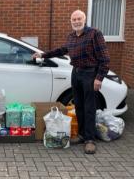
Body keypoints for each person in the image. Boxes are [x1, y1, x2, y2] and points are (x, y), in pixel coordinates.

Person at [32, 10, 110, 154]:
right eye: (73, 19)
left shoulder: (94, 34)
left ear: (84, 19)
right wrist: (43, 54)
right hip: (76, 73)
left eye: (79, 18)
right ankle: (81, 135)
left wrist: (99, 78)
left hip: (90, 74)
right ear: (71, 21)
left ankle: (90, 140)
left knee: (89, 107)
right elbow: (62, 50)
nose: (76, 21)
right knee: (78, 106)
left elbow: (105, 59)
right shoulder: (72, 36)